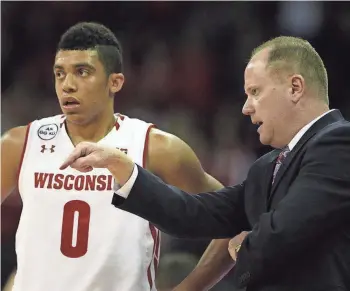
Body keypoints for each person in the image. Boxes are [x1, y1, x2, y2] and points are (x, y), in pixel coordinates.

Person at [61, 36, 350, 291]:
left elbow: (282, 235)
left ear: (295, 87)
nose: (246, 107)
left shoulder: (339, 142)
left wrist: (241, 243)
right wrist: (124, 169)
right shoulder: (267, 167)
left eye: (255, 92)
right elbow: (194, 213)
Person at [1, 21, 236, 291]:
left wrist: (191, 286)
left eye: (82, 72)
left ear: (115, 82)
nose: (67, 85)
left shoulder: (155, 148)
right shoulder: (20, 144)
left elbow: (235, 219)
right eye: (59, 73)